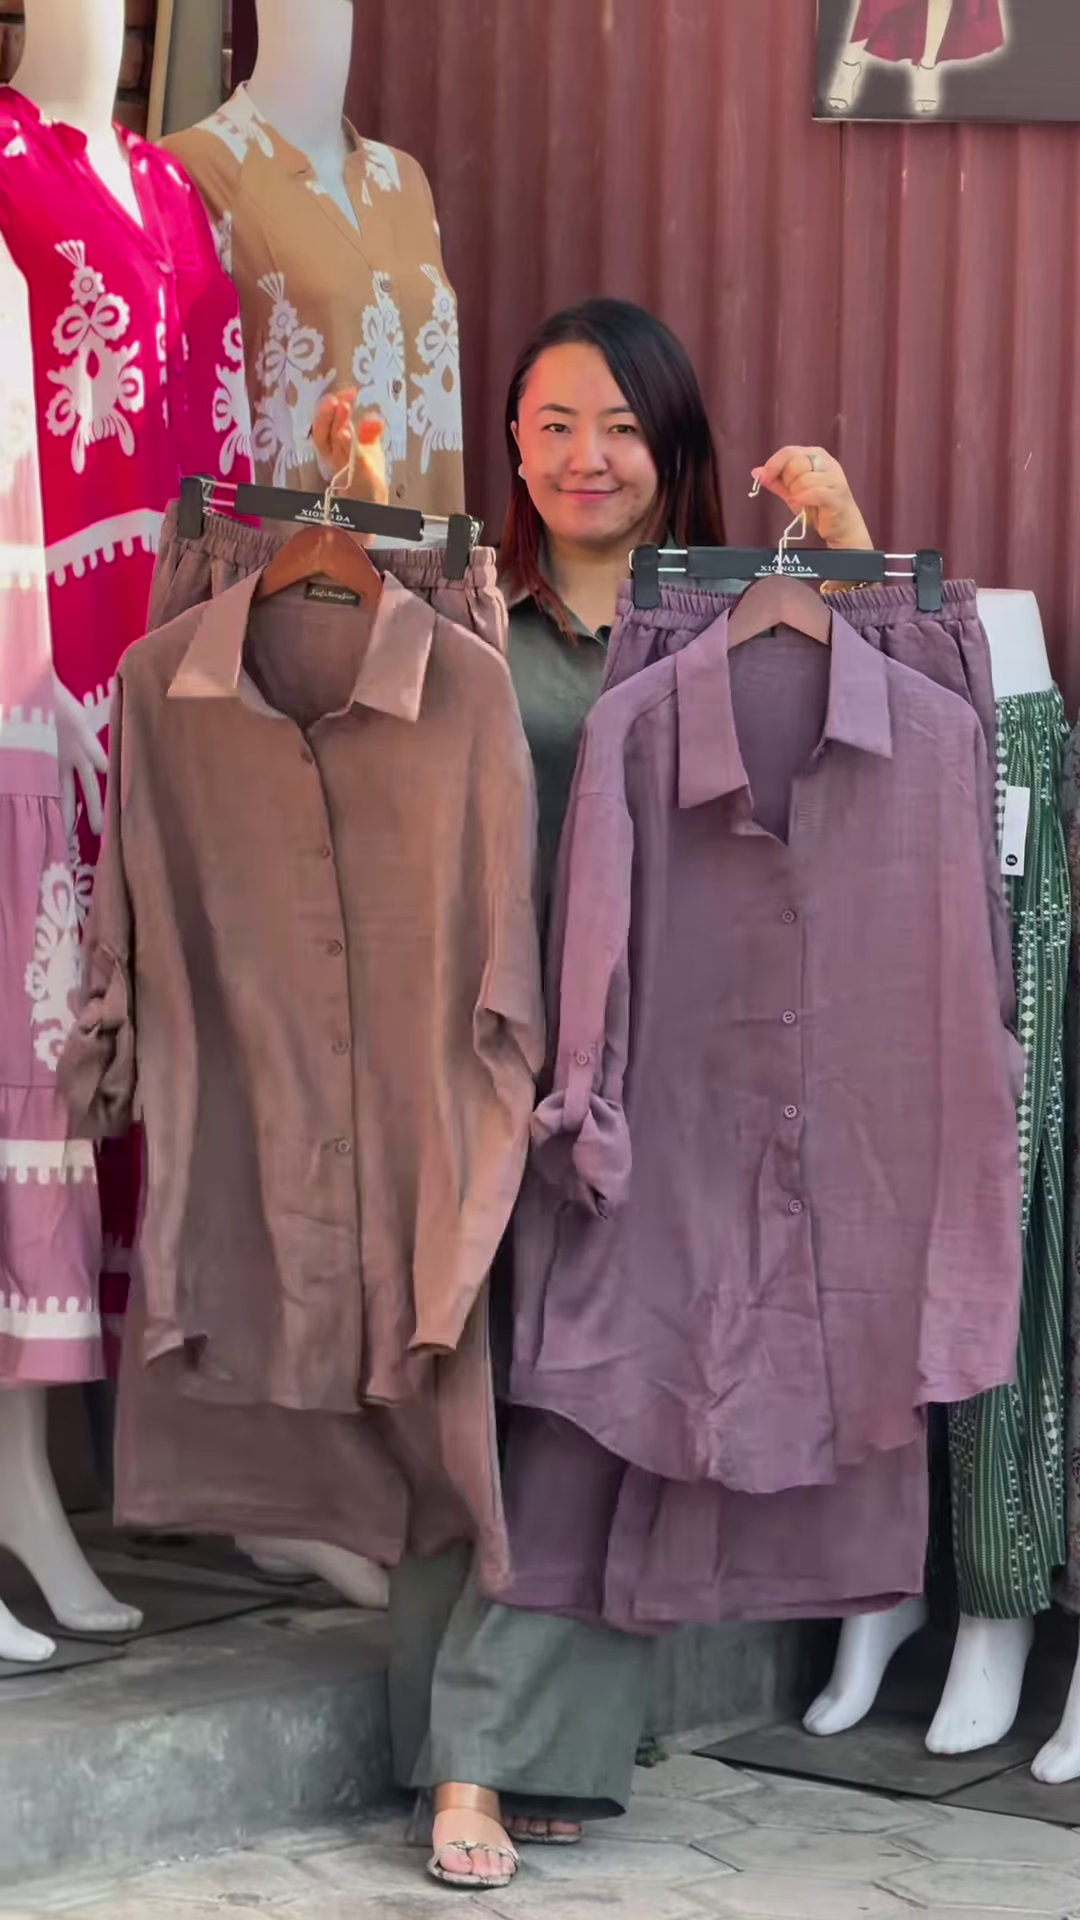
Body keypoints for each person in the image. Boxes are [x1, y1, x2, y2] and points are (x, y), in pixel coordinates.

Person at [316, 297, 874, 1892]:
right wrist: (356, 504)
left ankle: (489, 1761)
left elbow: (870, 717)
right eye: (555, 423)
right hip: (477, 1054)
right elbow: (340, 702)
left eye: (622, 427)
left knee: (607, 1410)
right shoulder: (471, 614)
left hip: (671, 1066)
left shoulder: (723, 624)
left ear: (673, 448)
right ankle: (503, 1755)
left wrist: (843, 540)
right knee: (472, 1401)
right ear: (511, 443)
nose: (586, 456)